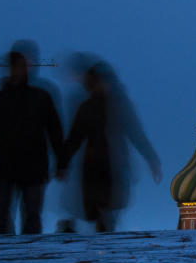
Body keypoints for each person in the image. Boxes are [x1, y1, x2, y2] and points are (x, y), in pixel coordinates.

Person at [58, 59, 161, 232]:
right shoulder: (92, 107)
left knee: (105, 210)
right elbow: (75, 138)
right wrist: (62, 163)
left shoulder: (114, 106)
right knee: (101, 210)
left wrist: (152, 159)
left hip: (110, 166)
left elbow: (136, 134)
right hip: (99, 167)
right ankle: (94, 234)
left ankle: (95, 235)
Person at [0, 44, 63, 234]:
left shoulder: (39, 97)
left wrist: (61, 160)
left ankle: (24, 256)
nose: (19, 70)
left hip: (31, 167)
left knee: (30, 217)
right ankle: (9, 256)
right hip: (7, 168)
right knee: (4, 219)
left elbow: (54, 131)